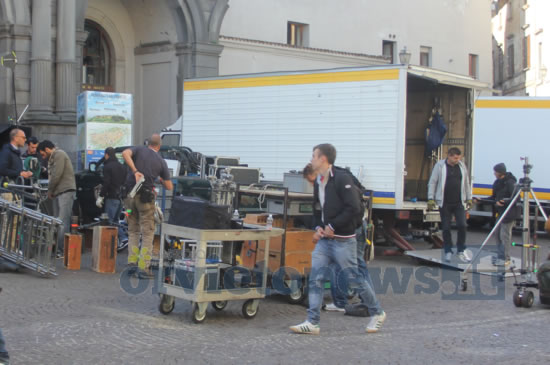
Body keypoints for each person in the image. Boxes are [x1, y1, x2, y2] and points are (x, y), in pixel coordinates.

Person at [290, 144, 386, 335]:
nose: (311, 160)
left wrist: (332, 226)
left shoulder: (342, 179)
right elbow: (318, 209)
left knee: (354, 278)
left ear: (323, 159)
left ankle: (377, 312)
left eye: (313, 156)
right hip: (325, 240)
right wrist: (318, 227)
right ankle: (312, 322)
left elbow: (354, 208)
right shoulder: (319, 181)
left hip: (344, 239)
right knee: (316, 277)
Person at [303, 163, 374, 315]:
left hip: (351, 228)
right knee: (348, 266)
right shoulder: (338, 178)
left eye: (313, 180)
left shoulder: (337, 183)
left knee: (354, 266)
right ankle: (344, 301)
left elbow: (351, 209)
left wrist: (333, 226)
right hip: (353, 226)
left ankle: (367, 305)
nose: (313, 185)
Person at [122, 134, 173, 278]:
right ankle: (143, 268)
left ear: (148, 143)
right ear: (159, 146)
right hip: (145, 200)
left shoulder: (138, 149)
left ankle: (131, 264)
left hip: (129, 198)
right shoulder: (161, 161)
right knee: (147, 233)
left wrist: (135, 171)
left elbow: (125, 153)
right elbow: (169, 186)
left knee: (133, 230)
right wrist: (161, 179)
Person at [427, 147, 473, 263]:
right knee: (446, 227)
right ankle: (448, 250)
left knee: (462, 225)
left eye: (459, 158)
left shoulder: (461, 167)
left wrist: (469, 198)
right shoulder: (440, 166)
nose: (457, 160)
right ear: (450, 156)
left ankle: (461, 249)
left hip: (459, 202)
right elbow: (433, 182)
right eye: (455, 158)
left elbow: (466, 182)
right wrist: (431, 198)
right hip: (445, 202)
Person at [37, 140, 76, 258]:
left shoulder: (59, 154)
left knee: (62, 222)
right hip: (58, 192)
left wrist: (50, 190)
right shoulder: (54, 156)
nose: (43, 157)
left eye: (43, 154)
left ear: (47, 149)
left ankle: (61, 250)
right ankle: (57, 249)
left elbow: (56, 175)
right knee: (57, 221)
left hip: (65, 192)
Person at [485, 163, 518, 266]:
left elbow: (516, 198)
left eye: (495, 171)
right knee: (497, 235)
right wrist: (481, 200)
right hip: (500, 212)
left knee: (504, 235)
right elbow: (494, 197)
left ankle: (506, 259)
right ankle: (500, 257)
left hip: (509, 213)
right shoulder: (497, 182)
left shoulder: (510, 182)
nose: (494, 173)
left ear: (500, 172)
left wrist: (503, 202)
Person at [96, 147, 128, 251]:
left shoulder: (107, 167)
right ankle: (119, 242)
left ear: (106, 155)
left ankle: (121, 239)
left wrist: (101, 196)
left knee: (109, 222)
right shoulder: (122, 167)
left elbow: (106, 183)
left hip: (111, 197)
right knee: (115, 221)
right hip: (120, 199)